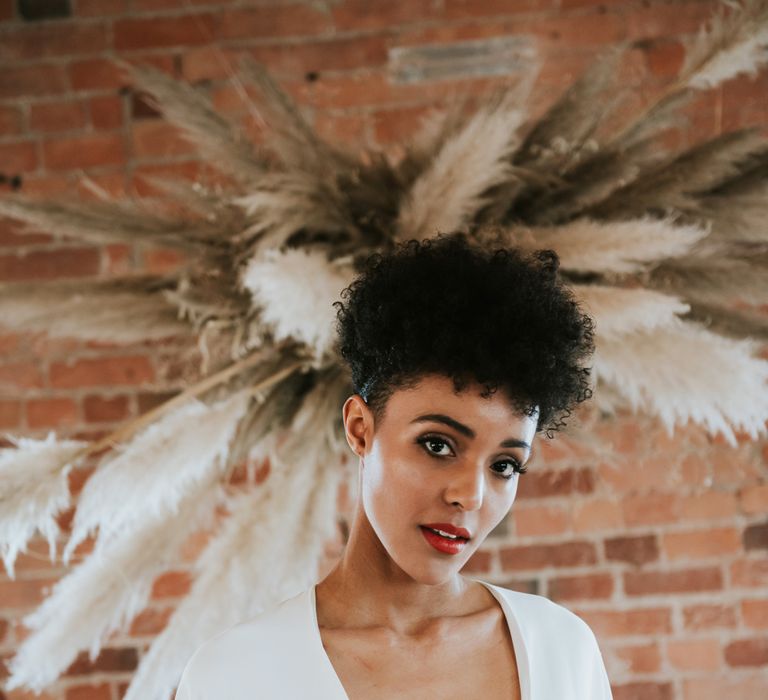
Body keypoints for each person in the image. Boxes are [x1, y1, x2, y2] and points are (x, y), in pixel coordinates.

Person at [174, 232, 612, 699]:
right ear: (361, 428)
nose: (471, 495)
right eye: (438, 445)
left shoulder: (562, 648)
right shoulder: (237, 675)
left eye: (504, 465)